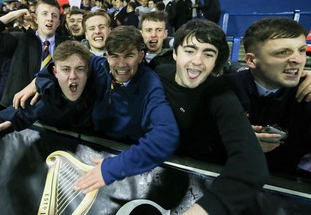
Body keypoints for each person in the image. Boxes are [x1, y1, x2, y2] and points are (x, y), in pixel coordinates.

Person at [15, 26, 179, 193]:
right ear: (106, 55)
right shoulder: (99, 65)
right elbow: (65, 62)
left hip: (124, 167)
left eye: (128, 55)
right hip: (90, 152)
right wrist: (38, 81)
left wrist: (113, 168)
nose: (121, 64)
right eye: (114, 56)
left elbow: (166, 136)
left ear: (141, 56)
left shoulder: (150, 85)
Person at [155, 19, 268, 215]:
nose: (197, 60)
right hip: (159, 175)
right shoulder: (159, 73)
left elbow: (252, 166)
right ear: (174, 53)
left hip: (203, 181)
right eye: (190, 50)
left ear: (216, 62)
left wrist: (205, 209)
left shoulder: (221, 95)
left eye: (208, 54)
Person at [0, 40, 94, 153]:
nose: (73, 76)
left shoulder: (101, 90)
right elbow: (4, 117)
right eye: (66, 69)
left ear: (88, 71)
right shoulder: (45, 97)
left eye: (80, 69)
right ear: (55, 72)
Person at [224, 17, 311, 177]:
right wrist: (233, 140)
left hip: (285, 191)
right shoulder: (223, 90)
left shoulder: (307, 96)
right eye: (282, 52)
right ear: (250, 60)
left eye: (302, 50)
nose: (298, 60)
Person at [0, 0, 70, 107]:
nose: (50, 18)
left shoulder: (67, 45)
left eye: (54, 15)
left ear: (58, 22)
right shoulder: (20, 39)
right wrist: (13, 15)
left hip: (53, 108)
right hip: (19, 108)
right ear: (35, 19)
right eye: (44, 14)